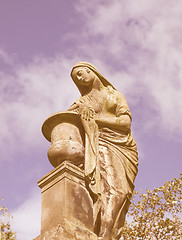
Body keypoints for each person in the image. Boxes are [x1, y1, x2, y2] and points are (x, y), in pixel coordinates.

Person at [68, 62, 138, 240]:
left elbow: (125, 123)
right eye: (77, 78)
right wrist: (80, 113)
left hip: (124, 147)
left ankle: (111, 232)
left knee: (122, 193)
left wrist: (97, 119)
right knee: (111, 190)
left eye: (81, 73)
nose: (80, 78)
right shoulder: (82, 102)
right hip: (100, 143)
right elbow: (66, 121)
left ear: (91, 71)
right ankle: (104, 233)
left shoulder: (114, 95)